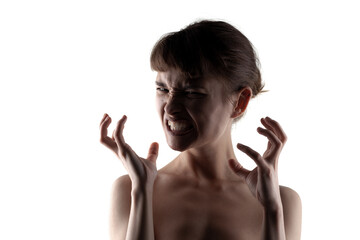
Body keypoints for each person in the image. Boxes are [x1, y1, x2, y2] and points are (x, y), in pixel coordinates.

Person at [99, 20, 302, 240]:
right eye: (162, 89)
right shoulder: (128, 189)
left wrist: (272, 210)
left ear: (239, 102)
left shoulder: (283, 202)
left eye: (192, 92)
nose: (170, 107)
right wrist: (141, 192)